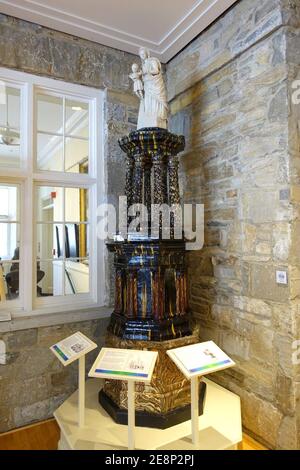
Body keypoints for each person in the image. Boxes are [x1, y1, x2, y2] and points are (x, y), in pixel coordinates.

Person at [133, 47, 168, 129]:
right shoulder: (143, 65)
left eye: (143, 54)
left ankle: (157, 117)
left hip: (155, 84)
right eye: (141, 54)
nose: (142, 56)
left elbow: (156, 71)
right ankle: (150, 116)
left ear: (147, 53)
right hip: (147, 85)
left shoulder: (153, 61)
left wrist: (146, 72)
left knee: (156, 100)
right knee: (148, 100)